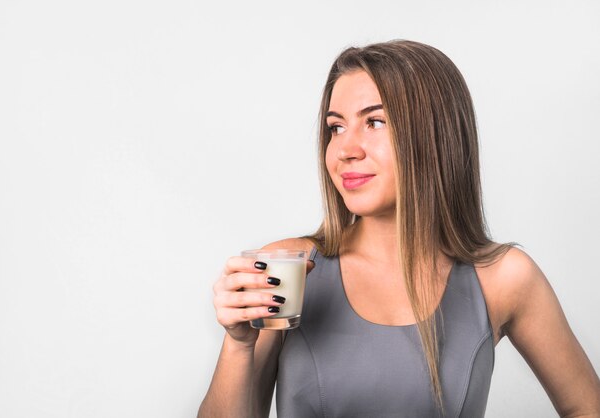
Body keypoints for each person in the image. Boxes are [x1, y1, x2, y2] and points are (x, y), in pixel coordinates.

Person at [198, 40, 600, 417]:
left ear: (434, 135)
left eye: (374, 122)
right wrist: (238, 344)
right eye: (336, 127)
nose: (345, 149)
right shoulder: (289, 267)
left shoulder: (503, 278)